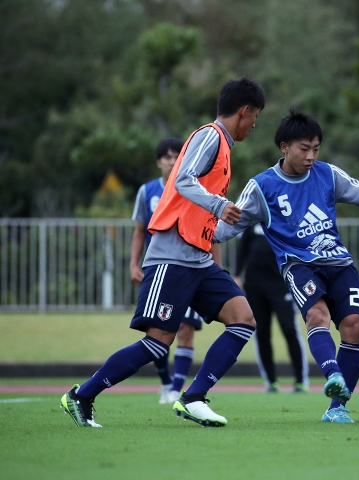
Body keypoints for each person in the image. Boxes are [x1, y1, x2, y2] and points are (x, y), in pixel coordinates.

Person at [60, 77, 265, 428]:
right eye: (255, 116)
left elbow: (208, 220)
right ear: (244, 112)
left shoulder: (226, 149)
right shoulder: (210, 136)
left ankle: (194, 397)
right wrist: (219, 205)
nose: (255, 124)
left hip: (199, 257)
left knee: (243, 320)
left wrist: (242, 220)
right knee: (158, 344)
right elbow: (184, 179)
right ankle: (81, 395)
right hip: (172, 257)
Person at [214, 110, 359, 423]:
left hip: (339, 262)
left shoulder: (327, 174)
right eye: (304, 148)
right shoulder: (262, 186)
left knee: (354, 326)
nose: (310, 156)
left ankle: (337, 409)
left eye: (316, 148)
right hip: (298, 265)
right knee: (317, 314)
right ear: (284, 147)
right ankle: (332, 375)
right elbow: (229, 228)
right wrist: (199, 230)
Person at [130, 137, 219, 405]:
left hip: (194, 267)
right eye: (166, 157)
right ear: (159, 162)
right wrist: (134, 263)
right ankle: (166, 382)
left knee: (185, 328)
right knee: (158, 332)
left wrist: (217, 269)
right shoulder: (147, 192)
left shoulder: (197, 190)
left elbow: (210, 233)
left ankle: (176, 388)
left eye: (176, 156)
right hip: (161, 267)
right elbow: (139, 231)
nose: (171, 161)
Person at [233, 224, 309, 393]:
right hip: (254, 285)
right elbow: (243, 248)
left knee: (289, 329)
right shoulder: (252, 219)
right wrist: (237, 275)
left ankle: (300, 380)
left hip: (280, 284)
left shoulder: (283, 218)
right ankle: (271, 381)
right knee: (261, 332)